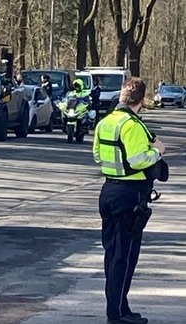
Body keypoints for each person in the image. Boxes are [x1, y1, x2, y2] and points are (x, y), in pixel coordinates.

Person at [93, 77, 169, 324]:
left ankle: (120, 307)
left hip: (108, 191)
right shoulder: (131, 125)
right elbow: (138, 160)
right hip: (129, 194)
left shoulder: (106, 122)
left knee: (112, 253)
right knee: (124, 256)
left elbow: (97, 155)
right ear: (142, 100)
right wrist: (157, 151)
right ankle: (116, 314)